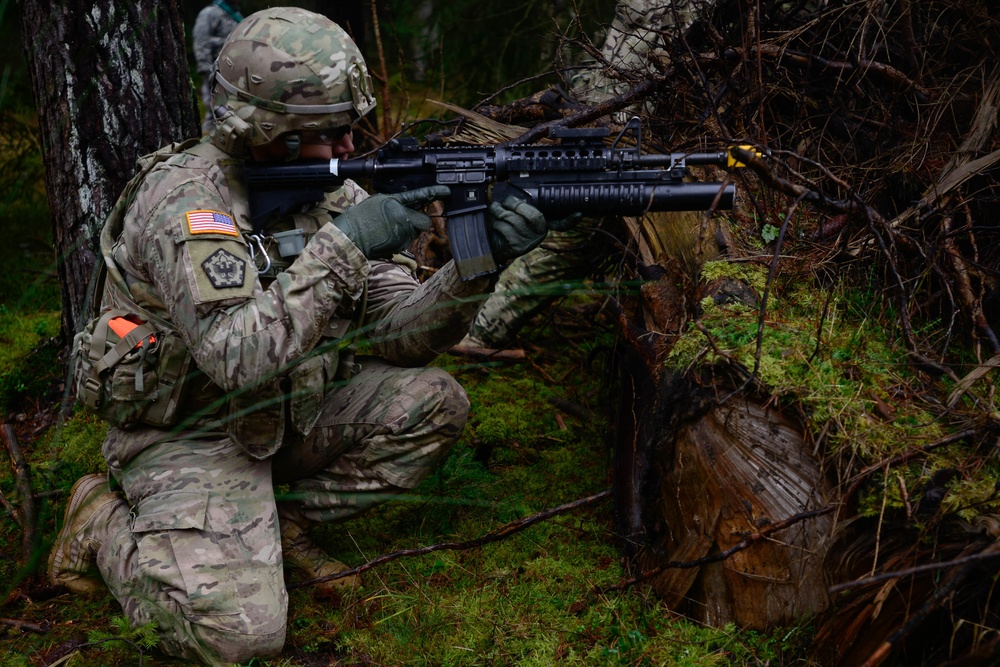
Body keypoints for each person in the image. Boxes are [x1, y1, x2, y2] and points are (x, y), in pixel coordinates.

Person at [49, 8, 572, 665]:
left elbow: (400, 331)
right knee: (240, 637)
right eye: (328, 133)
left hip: (289, 413)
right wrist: (345, 246)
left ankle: (279, 528)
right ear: (269, 131)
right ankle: (100, 524)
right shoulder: (187, 205)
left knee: (434, 402)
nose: (350, 150)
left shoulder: (329, 194)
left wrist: (478, 266)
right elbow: (236, 355)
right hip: (188, 433)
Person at [462, 0, 698, 350]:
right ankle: (480, 331)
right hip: (609, 135)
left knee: (548, 229)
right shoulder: (687, 10)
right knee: (567, 238)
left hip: (606, 126)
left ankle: (472, 321)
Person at [192, 0, 243, 134]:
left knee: (230, 110)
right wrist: (206, 68)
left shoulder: (234, 14)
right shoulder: (210, 13)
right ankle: (206, 140)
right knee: (213, 109)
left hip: (233, 72)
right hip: (214, 71)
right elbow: (201, 40)